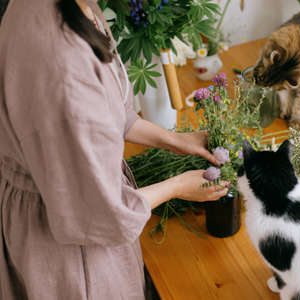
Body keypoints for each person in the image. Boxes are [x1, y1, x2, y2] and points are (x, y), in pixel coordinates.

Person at [0, 0, 228, 299]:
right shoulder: (63, 64)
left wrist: (178, 140)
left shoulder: (73, 7)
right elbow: (106, 212)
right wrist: (179, 186)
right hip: (70, 254)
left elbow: (107, 110)